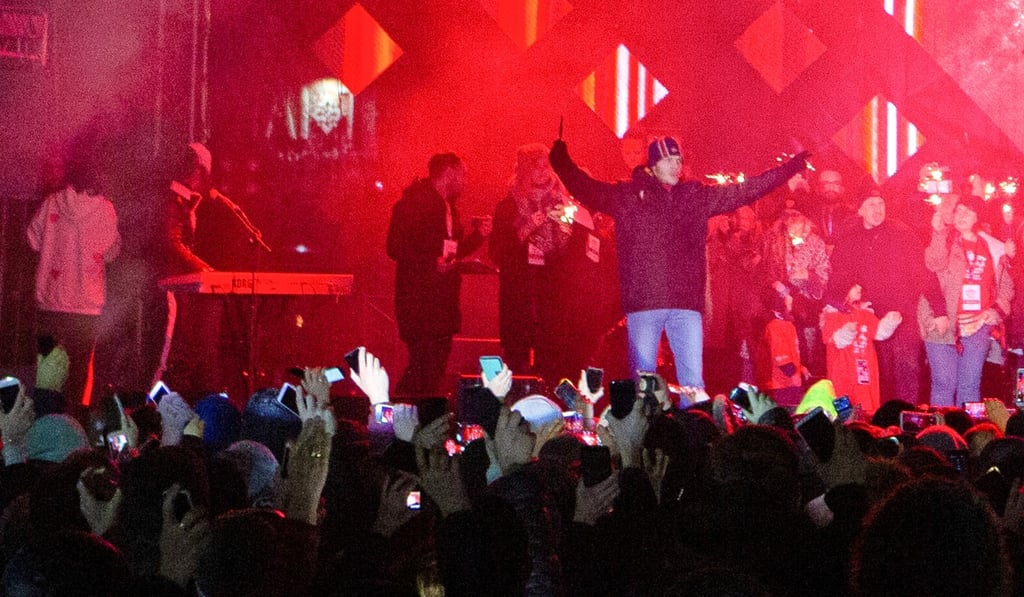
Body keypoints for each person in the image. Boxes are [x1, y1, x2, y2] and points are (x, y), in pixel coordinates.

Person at [549, 136, 809, 388]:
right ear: (652, 166)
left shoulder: (695, 197)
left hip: (685, 304)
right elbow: (587, 189)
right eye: (668, 160)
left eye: (678, 160)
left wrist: (788, 169)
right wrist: (561, 161)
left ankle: (691, 417)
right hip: (645, 302)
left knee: (693, 384)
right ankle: (647, 417)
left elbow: (746, 190)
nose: (676, 165)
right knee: (644, 383)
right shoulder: (628, 195)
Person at [828, 188, 946, 404]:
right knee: (876, 375)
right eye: (871, 204)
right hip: (867, 318)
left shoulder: (902, 233)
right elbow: (837, 277)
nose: (877, 209)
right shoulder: (849, 238)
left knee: (907, 372)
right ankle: (877, 418)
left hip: (902, 317)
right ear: (860, 210)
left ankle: (905, 418)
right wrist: (839, 304)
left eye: (881, 204)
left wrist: (939, 311)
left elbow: (923, 273)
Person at [386, 152, 490, 396]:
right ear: (449, 173)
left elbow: (452, 252)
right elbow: (394, 246)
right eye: (462, 175)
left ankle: (411, 410)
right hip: (420, 302)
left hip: (441, 304)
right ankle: (400, 409)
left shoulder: (449, 208)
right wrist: (429, 263)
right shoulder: (413, 204)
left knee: (433, 367)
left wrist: (479, 236)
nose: (464, 182)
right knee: (424, 366)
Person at [27, 153, 121, 409]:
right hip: (85, 306)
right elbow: (111, 252)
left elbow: (33, 240)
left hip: (50, 301)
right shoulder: (105, 210)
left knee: (48, 372)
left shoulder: (51, 204)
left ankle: (45, 421)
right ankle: (74, 423)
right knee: (79, 374)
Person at [922, 194, 1013, 407]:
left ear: (977, 217)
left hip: (977, 325)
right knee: (944, 384)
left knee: (970, 385)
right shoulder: (944, 239)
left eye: (968, 211)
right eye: (958, 210)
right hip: (943, 323)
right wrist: (937, 233)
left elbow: (1007, 287)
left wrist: (995, 312)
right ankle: (942, 427)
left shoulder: (993, 247)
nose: (961, 215)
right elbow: (933, 264)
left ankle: (967, 428)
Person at [490, 143, 573, 375]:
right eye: (537, 167)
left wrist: (565, 226)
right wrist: (528, 226)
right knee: (517, 359)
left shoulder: (563, 201)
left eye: (547, 166)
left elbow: (569, 247)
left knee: (552, 359)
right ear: (525, 170)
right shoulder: (509, 205)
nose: (543, 172)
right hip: (520, 294)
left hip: (551, 294)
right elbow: (497, 251)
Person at [152, 142, 218, 397]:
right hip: (170, 285)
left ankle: (166, 399)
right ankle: (154, 401)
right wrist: (202, 269)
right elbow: (172, 242)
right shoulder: (174, 200)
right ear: (198, 170)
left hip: (176, 284)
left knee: (176, 348)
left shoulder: (183, 200)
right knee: (167, 348)